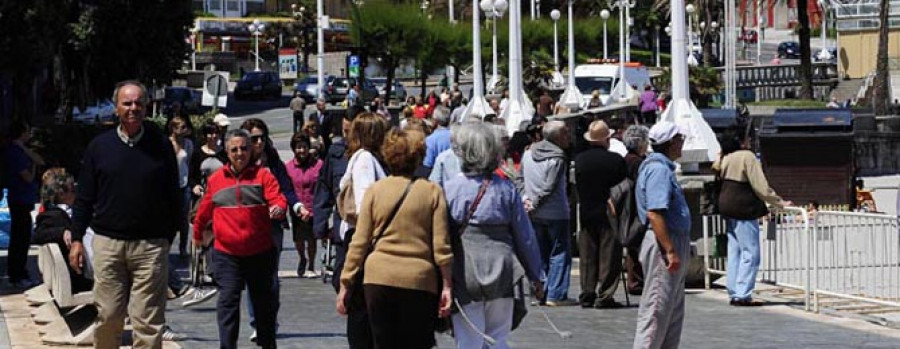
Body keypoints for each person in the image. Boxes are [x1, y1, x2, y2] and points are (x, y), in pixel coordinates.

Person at [69, 81, 183, 348]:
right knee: (108, 316)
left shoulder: (160, 145)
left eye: (138, 103)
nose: (133, 109)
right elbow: (84, 198)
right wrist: (76, 239)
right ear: (116, 108)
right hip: (108, 245)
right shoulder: (99, 147)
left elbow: (173, 195)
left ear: (147, 107)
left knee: (148, 321)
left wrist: (168, 238)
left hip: (150, 247)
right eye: (127, 103)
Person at [336, 128, 453, 348]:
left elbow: (359, 243)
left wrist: (346, 284)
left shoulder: (375, 191)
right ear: (418, 156)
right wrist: (447, 285)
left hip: (378, 278)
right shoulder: (432, 191)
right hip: (419, 279)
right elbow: (441, 246)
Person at [443, 122, 543, 348]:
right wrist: (536, 274)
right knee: (498, 338)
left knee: (468, 339)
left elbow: (443, 238)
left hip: (465, 271)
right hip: (503, 270)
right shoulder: (505, 189)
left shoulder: (450, 189)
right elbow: (524, 236)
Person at [193, 129, 287, 349]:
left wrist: (278, 209)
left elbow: (278, 199)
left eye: (244, 148)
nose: (239, 153)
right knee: (228, 304)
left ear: (251, 150)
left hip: (260, 253)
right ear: (226, 152)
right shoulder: (216, 180)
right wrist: (197, 236)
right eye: (234, 149)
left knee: (264, 307)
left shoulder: (263, 176)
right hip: (227, 255)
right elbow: (204, 212)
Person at [240, 118, 302, 342]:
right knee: (252, 276)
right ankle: (257, 322)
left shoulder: (274, 161)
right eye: (253, 138)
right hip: (248, 225)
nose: (258, 142)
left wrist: (294, 206)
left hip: (273, 225)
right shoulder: (240, 162)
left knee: (270, 277)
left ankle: (269, 320)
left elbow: (287, 189)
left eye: (261, 138)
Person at [713, 127, 790, 307]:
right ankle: (743, 293)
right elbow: (760, 186)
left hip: (726, 205)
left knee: (735, 251)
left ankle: (733, 290)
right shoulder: (747, 157)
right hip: (743, 207)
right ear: (741, 140)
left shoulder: (726, 157)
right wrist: (779, 202)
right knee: (751, 252)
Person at [632, 121, 691, 349]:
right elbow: (655, 213)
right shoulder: (658, 170)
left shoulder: (664, 168)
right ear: (670, 142)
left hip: (672, 240)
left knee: (672, 312)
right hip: (663, 242)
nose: (682, 144)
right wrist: (669, 250)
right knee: (656, 309)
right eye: (679, 139)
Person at [336, 112, 389, 348]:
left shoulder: (365, 158)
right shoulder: (366, 159)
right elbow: (364, 204)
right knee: (362, 309)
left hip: (362, 236)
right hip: (362, 237)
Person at [521, 120, 575, 306]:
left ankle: (539, 292)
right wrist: (534, 203)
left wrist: (525, 199)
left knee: (539, 253)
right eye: (566, 133)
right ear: (558, 137)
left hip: (534, 212)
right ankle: (556, 294)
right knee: (559, 253)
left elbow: (519, 178)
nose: (569, 137)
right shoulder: (558, 157)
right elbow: (549, 186)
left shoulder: (527, 153)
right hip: (556, 212)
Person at [574, 120, 627, 309]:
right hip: (609, 211)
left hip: (587, 211)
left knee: (587, 255)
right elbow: (623, 187)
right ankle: (605, 294)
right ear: (607, 138)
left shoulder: (580, 160)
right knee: (609, 255)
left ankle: (587, 292)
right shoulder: (616, 160)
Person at [32, 168, 93, 293]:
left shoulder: (61, 212)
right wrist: (62, 232)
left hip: (75, 274)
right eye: (73, 189)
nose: (77, 193)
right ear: (61, 194)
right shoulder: (53, 215)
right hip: (78, 278)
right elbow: (38, 235)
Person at [3, 122, 42, 288]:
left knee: (22, 237)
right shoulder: (14, 153)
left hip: (22, 199)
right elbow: (28, 176)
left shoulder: (19, 150)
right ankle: (17, 274)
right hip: (19, 199)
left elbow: (39, 160)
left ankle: (19, 271)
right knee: (20, 238)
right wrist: (32, 167)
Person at [286, 133, 323, 278]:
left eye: (304, 147)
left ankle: (312, 264)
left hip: (313, 206)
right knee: (299, 239)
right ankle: (302, 257)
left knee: (312, 239)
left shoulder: (318, 165)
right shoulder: (288, 167)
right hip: (297, 209)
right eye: (298, 147)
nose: (301, 150)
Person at [620, 125, 650, 295]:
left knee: (634, 246)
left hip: (628, 207)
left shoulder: (625, 160)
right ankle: (636, 281)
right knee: (637, 244)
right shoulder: (639, 163)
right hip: (636, 207)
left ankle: (635, 280)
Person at [166, 115, 194, 257]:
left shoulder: (188, 144)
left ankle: (183, 248)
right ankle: (167, 247)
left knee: (184, 219)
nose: (184, 130)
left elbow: (188, 163)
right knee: (168, 218)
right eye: (181, 127)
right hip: (168, 187)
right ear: (173, 128)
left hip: (184, 185)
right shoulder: (166, 143)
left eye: (185, 127)